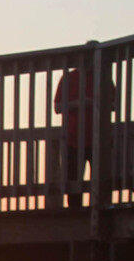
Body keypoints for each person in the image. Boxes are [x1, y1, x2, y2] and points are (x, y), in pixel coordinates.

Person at [51, 43, 118, 208]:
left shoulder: (104, 77)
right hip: (73, 139)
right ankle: (75, 212)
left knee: (102, 180)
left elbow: (114, 105)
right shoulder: (69, 78)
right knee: (72, 181)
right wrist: (79, 103)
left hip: (99, 138)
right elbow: (58, 107)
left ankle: (100, 209)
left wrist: (97, 103)